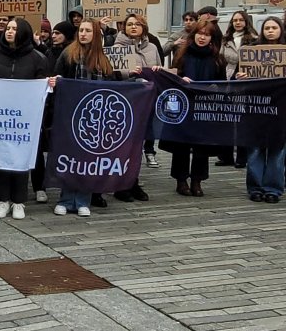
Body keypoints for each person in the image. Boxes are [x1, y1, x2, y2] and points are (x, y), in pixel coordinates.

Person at [0, 17, 49, 220]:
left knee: (21, 159)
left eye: (14, 28)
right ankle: (3, 199)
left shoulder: (37, 58)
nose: (9, 31)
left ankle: (19, 201)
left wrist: (49, 85)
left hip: (24, 120)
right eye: (8, 28)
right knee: (1, 157)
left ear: (23, 32)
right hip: (1, 119)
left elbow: (42, 89)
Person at [53, 19, 116, 217]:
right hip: (71, 114)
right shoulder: (68, 54)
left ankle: (82, 200)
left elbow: (110, 86)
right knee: (70, 159)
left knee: (88, 160)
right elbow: (57, 77)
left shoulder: (102, 60)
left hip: (94, 118)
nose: (83, 34)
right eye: (81, 30)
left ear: (95, 34)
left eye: (88, 31)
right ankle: (65, 199)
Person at [157, 19, 226, 197]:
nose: (202, 37)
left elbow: (223, 84)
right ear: (193, 34)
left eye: (207, 34)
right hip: (184, 105)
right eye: (200, 33)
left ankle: (197, 180)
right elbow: (173, 77)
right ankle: (181, 180)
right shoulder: (182, 55)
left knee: (201, 144)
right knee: (182, 143)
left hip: (204, 106)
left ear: (212, 38)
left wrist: (216, 88)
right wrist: (180, 80)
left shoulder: (217, 59)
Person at [111, 14, 158, 201]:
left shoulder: (153, 47)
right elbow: (114, 74)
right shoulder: (116, 48)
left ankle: (134, 181)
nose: (133, 27)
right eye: (129, 24)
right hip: (127, 101)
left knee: (138, 145)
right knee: (125, 145)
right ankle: (121, 186)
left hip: (146, 101)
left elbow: (159, 69)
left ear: (143, 27)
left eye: (137, 24)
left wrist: (157, 70)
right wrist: (128, 73)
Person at [239, 16, 285, 203]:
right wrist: (241, 76)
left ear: (281, 30)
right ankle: (255, 187)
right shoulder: (251, 53)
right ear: (262, 31)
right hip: (256, 107)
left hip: (281, 108)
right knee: (255, 149)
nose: (271, 31)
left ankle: (273, 188)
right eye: (267, 28)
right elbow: (239, 79)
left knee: (277, 150)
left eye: (274, 27)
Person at [215, 10, 257, 168]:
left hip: (246, 82)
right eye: (235, 20)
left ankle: (242, 157)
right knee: (226, 119)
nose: (237, 23)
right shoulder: (225, 40)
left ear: (246, 22)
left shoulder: (254, 40)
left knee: (242, 121)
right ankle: (225, 156)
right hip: (228, 80)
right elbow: (219, 59)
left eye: (240, 20)